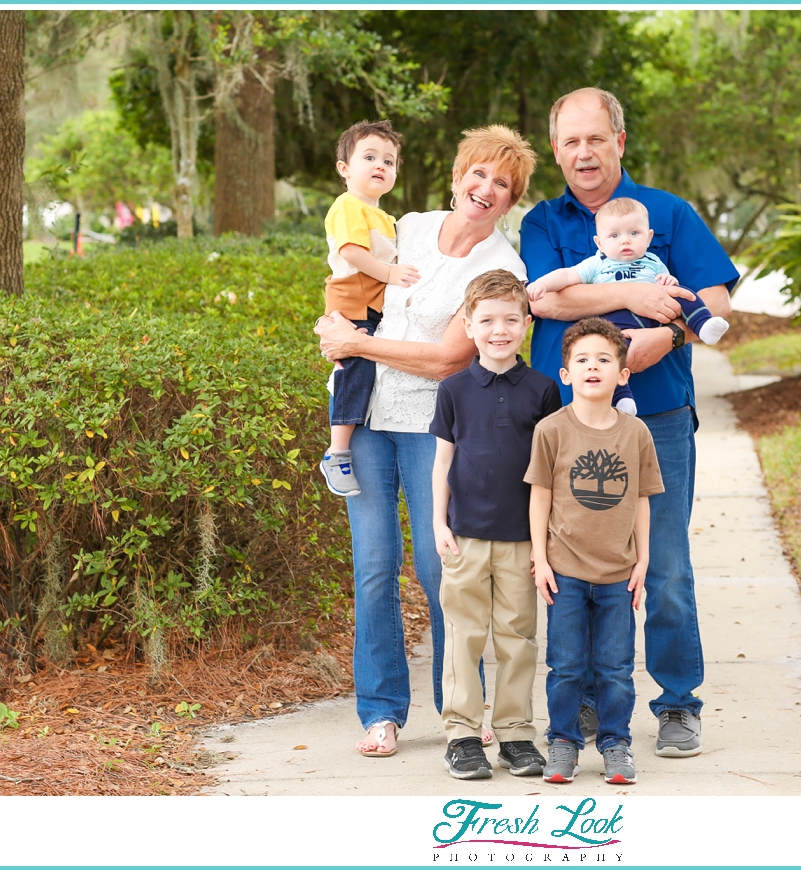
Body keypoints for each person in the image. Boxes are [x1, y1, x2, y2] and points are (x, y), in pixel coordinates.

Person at [520, 87, 739, 758]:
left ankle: (677, 704)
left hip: (658, 416)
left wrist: (667, 337)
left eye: (595, 139)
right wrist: (636, 295)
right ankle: (587, 701)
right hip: (570, 421)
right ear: (556, 151)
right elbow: (547, 302)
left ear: (620, 140)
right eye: (569, 142)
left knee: (664, 563)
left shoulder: (670, 213)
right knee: (578, 564)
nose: (583, 153)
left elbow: (716, 297)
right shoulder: (540, 222)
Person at [315, 125, 537, 758]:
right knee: (374, 568)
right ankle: (381, 711)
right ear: (457, 174)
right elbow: (350, 274)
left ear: (510, 198)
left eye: (502, 183)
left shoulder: (501, 266)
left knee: (442, 569)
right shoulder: (409, 225)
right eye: (479, 173)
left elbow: (446, 360)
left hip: (432, 426)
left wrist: (358, 343)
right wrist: (336, 327)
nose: (486, 188)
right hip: (364, 419)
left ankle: (460, 709)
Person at [430, 270, 561, 780]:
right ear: (468, 324)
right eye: (486, 320)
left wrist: (544, 541)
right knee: (463, 634)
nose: (499, 330)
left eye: (510, 319)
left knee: (517, 636)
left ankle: (514, 734)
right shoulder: (454, 390)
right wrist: (438, 523)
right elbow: (442, 463)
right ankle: (462, 734)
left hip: (521, 539)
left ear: (526, 324)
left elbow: (548, 472)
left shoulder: (543, 389)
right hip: (463, 535)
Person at [526, 318, 664, 784]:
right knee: (564, 666)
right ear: (565, 374)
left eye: (604, 360)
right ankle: (563, 742)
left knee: (615, 668)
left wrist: (643, 559)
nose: (592, 367)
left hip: (617, 574)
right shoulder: (551, 430)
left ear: (622, 374)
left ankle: (615, 744)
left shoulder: (636, 433)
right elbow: (539, 496)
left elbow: (642, 499)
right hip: (564, 571)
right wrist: (540, 559)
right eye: (581, 360)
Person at [525, 196, 729, 415]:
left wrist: (669, 289)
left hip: (657, 342)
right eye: (614, 235)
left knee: (685, 294)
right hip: (615, 326)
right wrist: (542, 284)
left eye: (634, 233)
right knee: (612, 351)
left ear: (649, 237)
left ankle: (703, 325)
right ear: (599, 243)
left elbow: (680, 286)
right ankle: (622, 398)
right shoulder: (597, 263)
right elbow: (565, 277)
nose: (625, 241)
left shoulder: (653, 260)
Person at [317, 119, 421, 498]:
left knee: (373, 368)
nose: (381, 165)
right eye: (370, 157)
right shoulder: (348, 206)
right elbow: (352, 253)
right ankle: (337, 451)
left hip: (375, 307)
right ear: (345, 169)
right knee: (354, 369)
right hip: (351, 302)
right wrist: (392, 273)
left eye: (389, 161)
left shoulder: (385, 216)